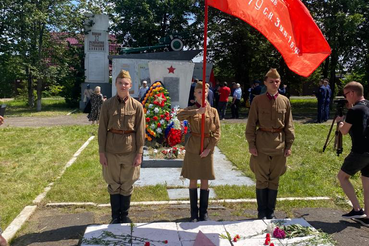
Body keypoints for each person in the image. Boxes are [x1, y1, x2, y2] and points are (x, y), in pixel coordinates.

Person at [245, 68, 295, 219]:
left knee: (274, 179)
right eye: (271, 81)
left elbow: (289, 125)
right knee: (261, 179)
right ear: (265, 83)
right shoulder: (258, 101)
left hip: (279, 145)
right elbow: (251, 125)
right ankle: (261, 212)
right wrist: (252, 145)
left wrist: (289, 146)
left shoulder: (284, 101)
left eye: (277, 81)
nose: (275, 84)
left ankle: (270, 212)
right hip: (261, 145)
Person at [98, 70, 145, 224]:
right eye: (120, 83)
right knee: (113, 183)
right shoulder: (107, 105)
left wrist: (139, 153)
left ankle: (124, 215)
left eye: (126, 83)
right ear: (116, 84)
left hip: (130, 151)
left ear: (130, 85)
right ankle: (114, 217)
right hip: (111, 150)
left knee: (127, 183)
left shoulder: (137, 106)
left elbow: (140, 131)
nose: (123, 86)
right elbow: (102, 130)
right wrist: (102, 152)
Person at [177, 82, 221, 222]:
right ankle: (193, 213)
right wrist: (196, 112)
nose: (203, 94)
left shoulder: (213, 111)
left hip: (207, 147)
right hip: (193, 147)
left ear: (208, 93)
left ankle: (204, 213)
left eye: (205, 91)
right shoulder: (191, 109)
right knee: (193, 178)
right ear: (195, 94)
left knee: (205, 179)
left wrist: (209, 149)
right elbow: (179, 116)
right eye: (199, 92)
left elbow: (217, 132)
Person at [335, 81, 369, 226]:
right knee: (367, 184)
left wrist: (340, 122)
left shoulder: (354, 110)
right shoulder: (367, 105)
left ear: (353, 93)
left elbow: (344, 131)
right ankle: (368, 216)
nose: (345, 98)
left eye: (346, 94)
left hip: (360, 151)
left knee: (342, 177)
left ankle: (357, 209)